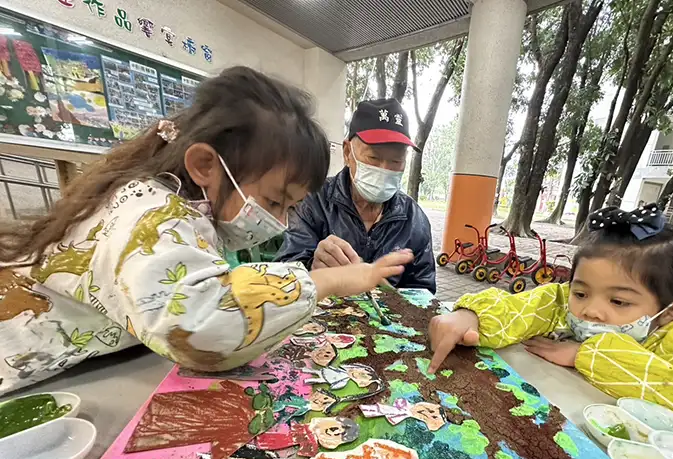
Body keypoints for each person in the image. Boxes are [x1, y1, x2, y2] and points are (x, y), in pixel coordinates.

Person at [0, 67, 413, 396]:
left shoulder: (180, 205)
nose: (281, 221)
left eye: (291, 209)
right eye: (273, 202)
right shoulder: (151, 215)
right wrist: (325, 281)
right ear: (205, 166)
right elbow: (201, 328)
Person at [428, 204, 673, 427]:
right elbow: (521, 308)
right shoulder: (565, 302)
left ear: (671, 311)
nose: (590, 309)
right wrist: (470, 315)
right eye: (581, 292)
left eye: (618, 301)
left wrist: (586, 354)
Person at [275, 98, 436, 293]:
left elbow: (423, 293)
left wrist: (384, 289)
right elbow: (284, 274)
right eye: (373, 157)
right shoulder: (313, 201)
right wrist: (313, 267)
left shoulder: (414, 219)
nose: (384, 170)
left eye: (396, 161)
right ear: (347, 152)